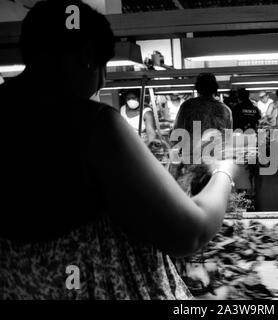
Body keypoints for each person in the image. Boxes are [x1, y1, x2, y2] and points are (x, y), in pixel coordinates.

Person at [0, 0, 239, 299]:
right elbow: (190, 234)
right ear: (87, 56)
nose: (103, 79)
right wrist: (224, 172)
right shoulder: (94, 126)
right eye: (103, 65)